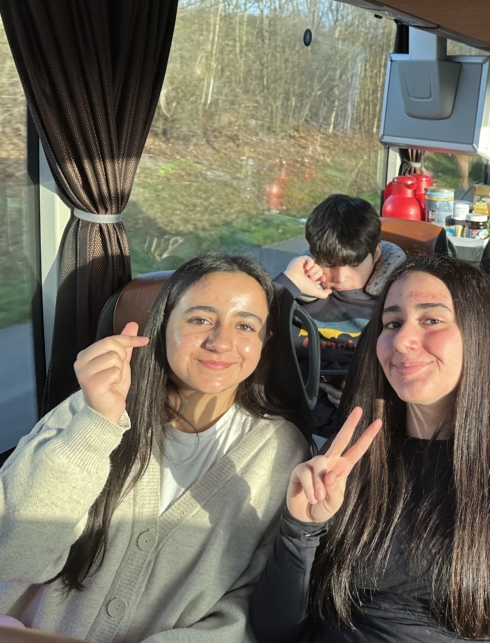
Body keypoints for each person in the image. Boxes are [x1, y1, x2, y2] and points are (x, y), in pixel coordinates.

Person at [250, 255, 490, 642]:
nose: (401, 341)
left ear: (479, 336)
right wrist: (301, 528)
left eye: (432, 320)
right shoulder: (348, 459)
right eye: (392, 323)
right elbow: (274, 632)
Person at [0, 253, 311, 639]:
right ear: (164, 325)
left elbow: (247, 604)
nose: (220, 342)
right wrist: (95, 426)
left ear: (266, 341)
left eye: (245, 326)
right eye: (200, 320)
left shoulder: (282, 452)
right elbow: (13, 556)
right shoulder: (93, 405)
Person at [276, 194, 406, 435]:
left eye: (354, 264)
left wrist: (372, 396)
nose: (341, 277)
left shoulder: (395, 304)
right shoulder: (297, 293)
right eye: (329, 263)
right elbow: (250, 326)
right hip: (290, 420)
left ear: (377, 253)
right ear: (314, 256)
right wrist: (288, 284)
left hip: (369, 424)